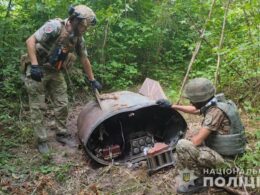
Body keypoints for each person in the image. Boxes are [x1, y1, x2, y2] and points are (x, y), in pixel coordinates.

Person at [22, 5, 102, 154]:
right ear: (75, 20)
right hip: (38, 67)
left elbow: (84, 58)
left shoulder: (78, 39)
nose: (85, 29)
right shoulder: (54, 27)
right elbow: (30, 41)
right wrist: (33, 65)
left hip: (55, 71)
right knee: (37, 106)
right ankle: (41, 140)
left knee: (62, 103)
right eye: (84, 25)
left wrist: (92, 80)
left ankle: (61, 133)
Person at [157, 78, 246, 194]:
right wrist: (172, 106)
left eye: (192, 100)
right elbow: (195, 110)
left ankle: (196, 182)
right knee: (183, 150)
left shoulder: (215, 112)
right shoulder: (218, 103)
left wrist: (188, 143)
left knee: (182, 145)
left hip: (228, 163)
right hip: (230, 155)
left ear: (200, 100)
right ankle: (209, 175)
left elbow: (197, 142)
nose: (191, 102)